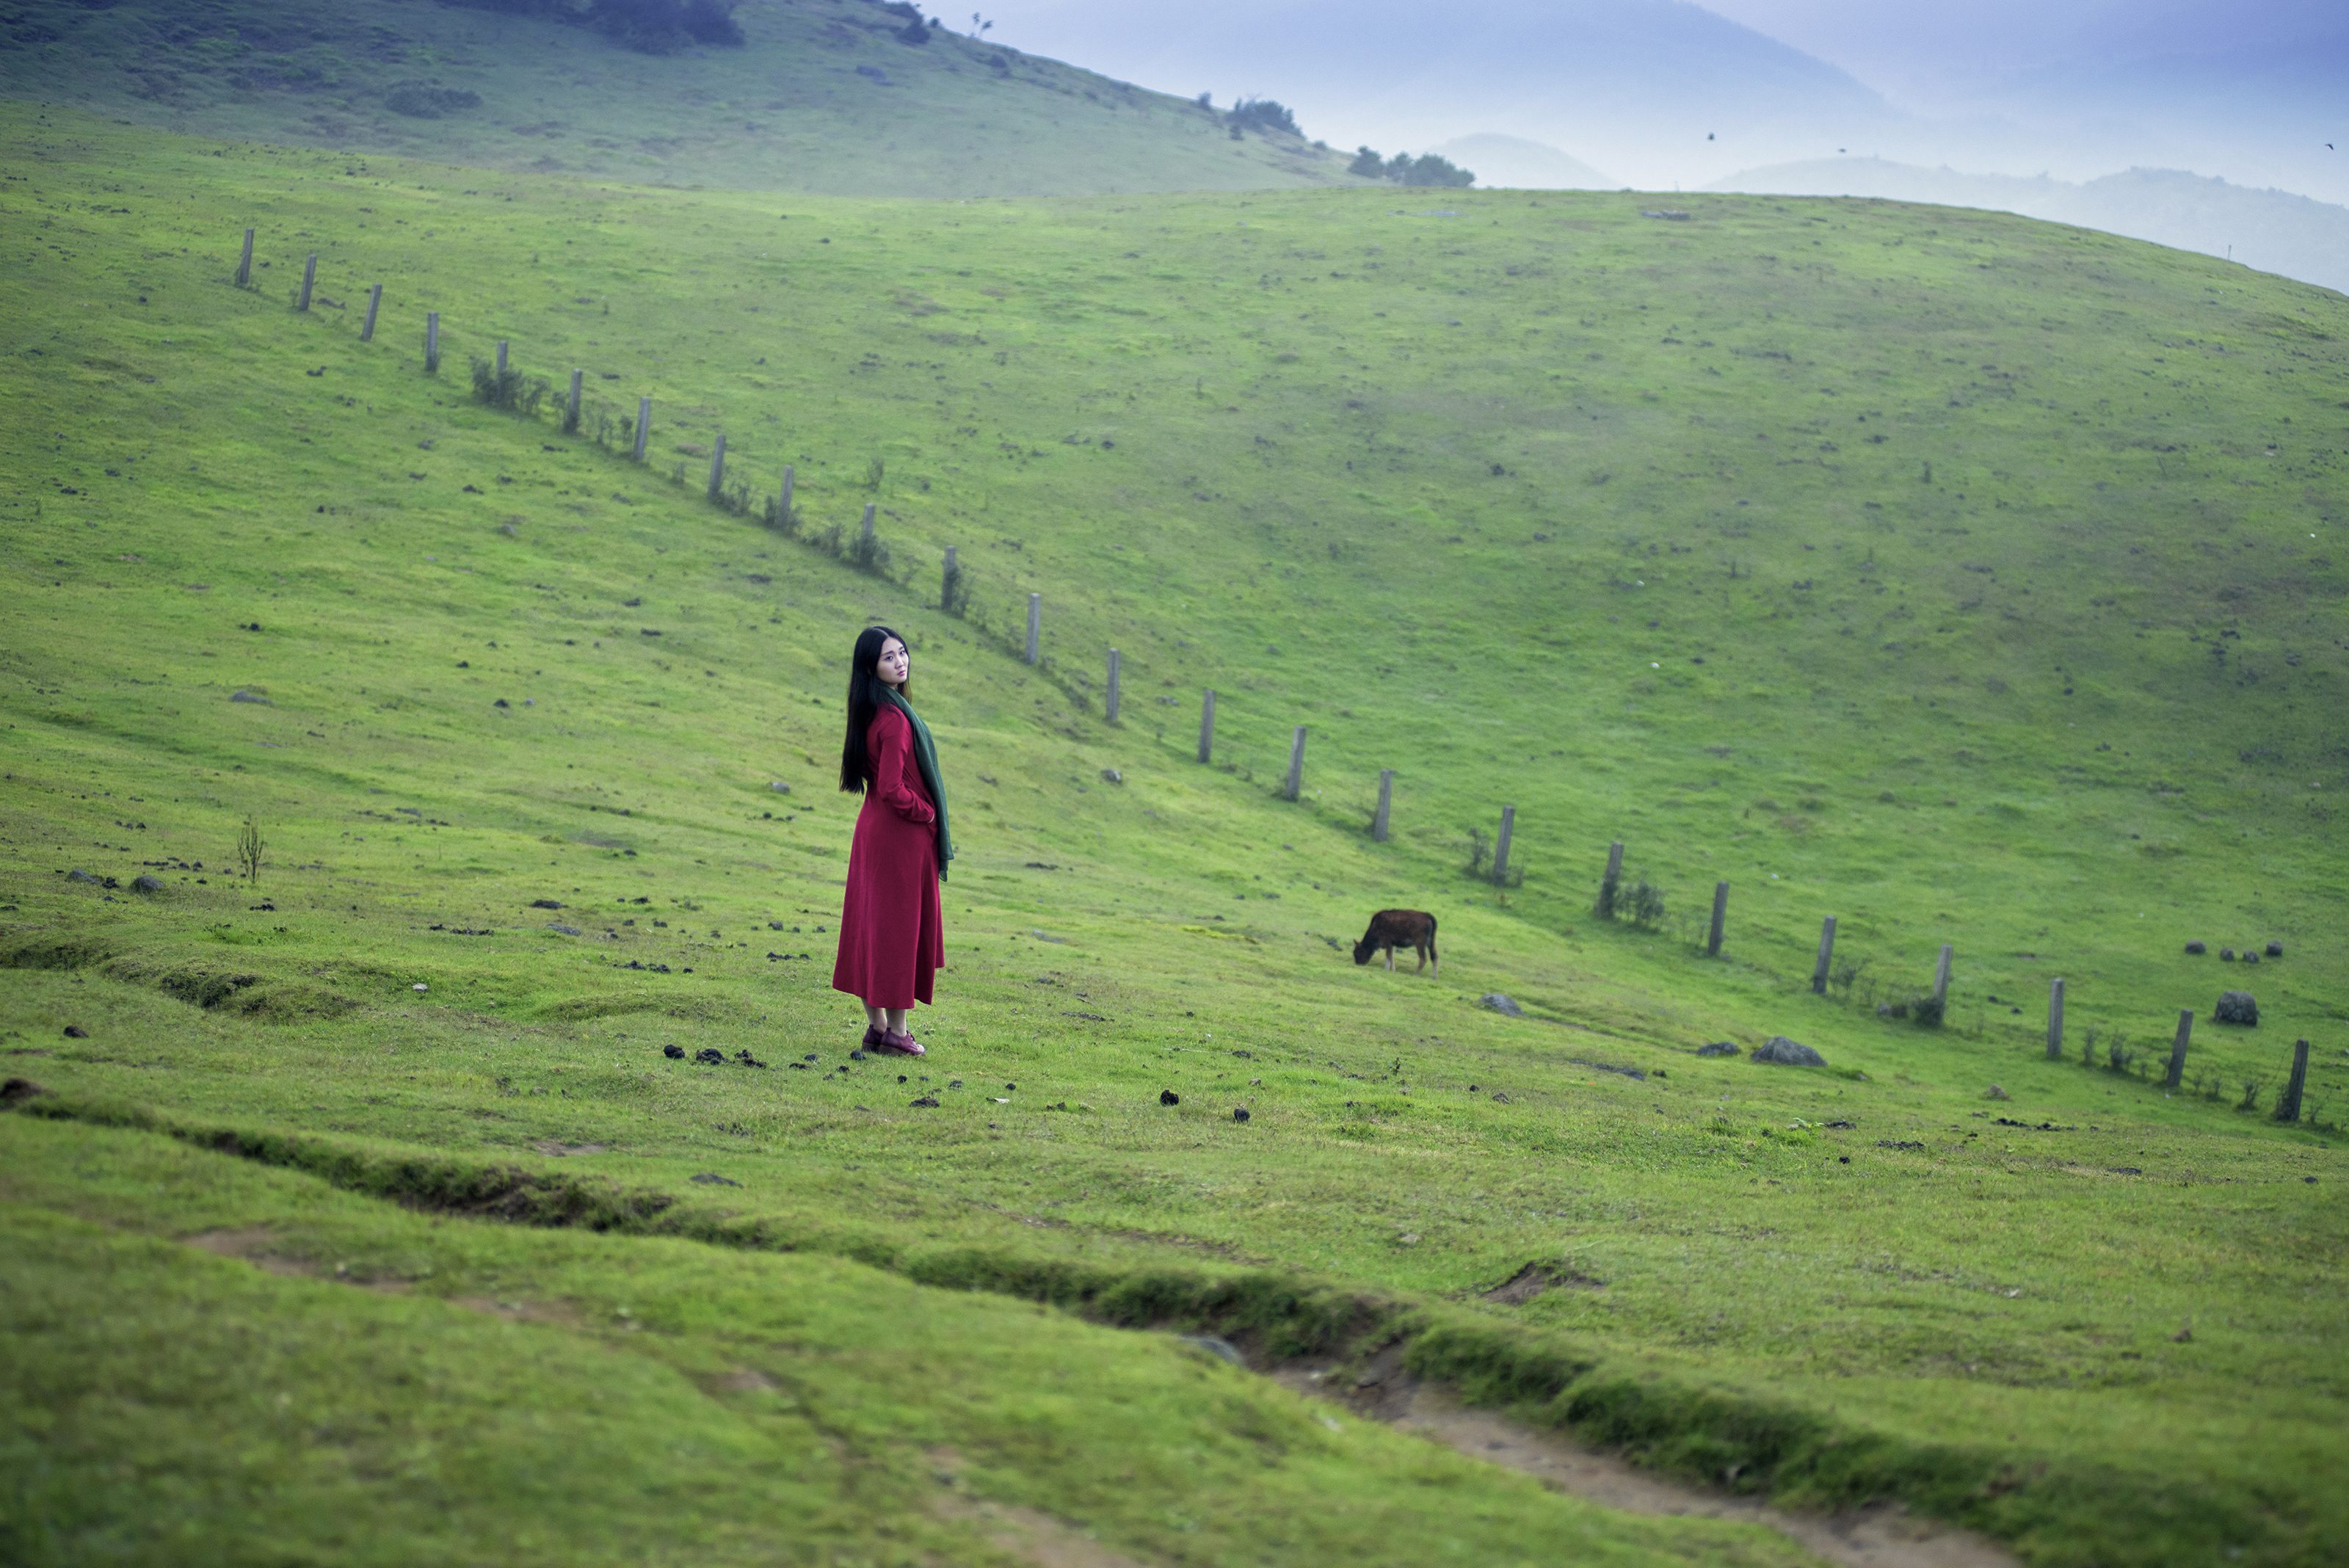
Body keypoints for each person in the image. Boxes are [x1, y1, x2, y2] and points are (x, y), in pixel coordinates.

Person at [831, 625, 951, 1056]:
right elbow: (891, 789)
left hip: (872, 833)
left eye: (902, 653)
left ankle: (878, 1027)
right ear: (871, 667)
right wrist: (928, 812)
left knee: (871, 926)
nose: (900, 662)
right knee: (899, 931)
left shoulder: (870, 712)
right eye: (889, 657)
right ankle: (899, 1034)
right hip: (899, 838)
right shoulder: (897, 720)